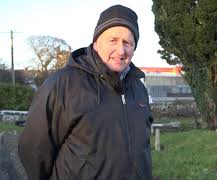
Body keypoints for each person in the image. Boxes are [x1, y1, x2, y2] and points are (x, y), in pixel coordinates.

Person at [18, 5, 153, 180]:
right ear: (96, 43)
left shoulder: (138, 88)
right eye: (113, 40)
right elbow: (33, 148)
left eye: (127, 42)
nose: (121, 50)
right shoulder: (64, 84)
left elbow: (142, 148)